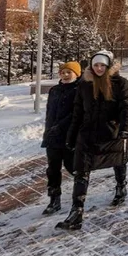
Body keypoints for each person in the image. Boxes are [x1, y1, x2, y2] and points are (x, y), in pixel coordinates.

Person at [56, 51, 128, 231]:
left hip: (111, 131)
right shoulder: (84, 84)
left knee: (118, 160)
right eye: (95, 65)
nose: (99, 68)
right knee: (81, 170)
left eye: (102, 66)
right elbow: (78, 112)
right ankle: (76, 212)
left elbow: (126, 107)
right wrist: (71, 135)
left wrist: (125, 128)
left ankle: (121, 186)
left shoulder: (120, 83)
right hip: (87, 133)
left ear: (108, 66)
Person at [41, 61, 81, 215]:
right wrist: (48, 130)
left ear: (76, 74)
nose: (65, 75)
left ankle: (78, 197)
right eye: (62, 72)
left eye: (68, 72)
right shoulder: (54, 90)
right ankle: (54, 199)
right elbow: (49, 113)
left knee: (73, 167)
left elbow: (76, 114)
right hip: (52, 137)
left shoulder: (79, 90)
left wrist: (61, 127)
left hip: (69, 136)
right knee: (52, 169)